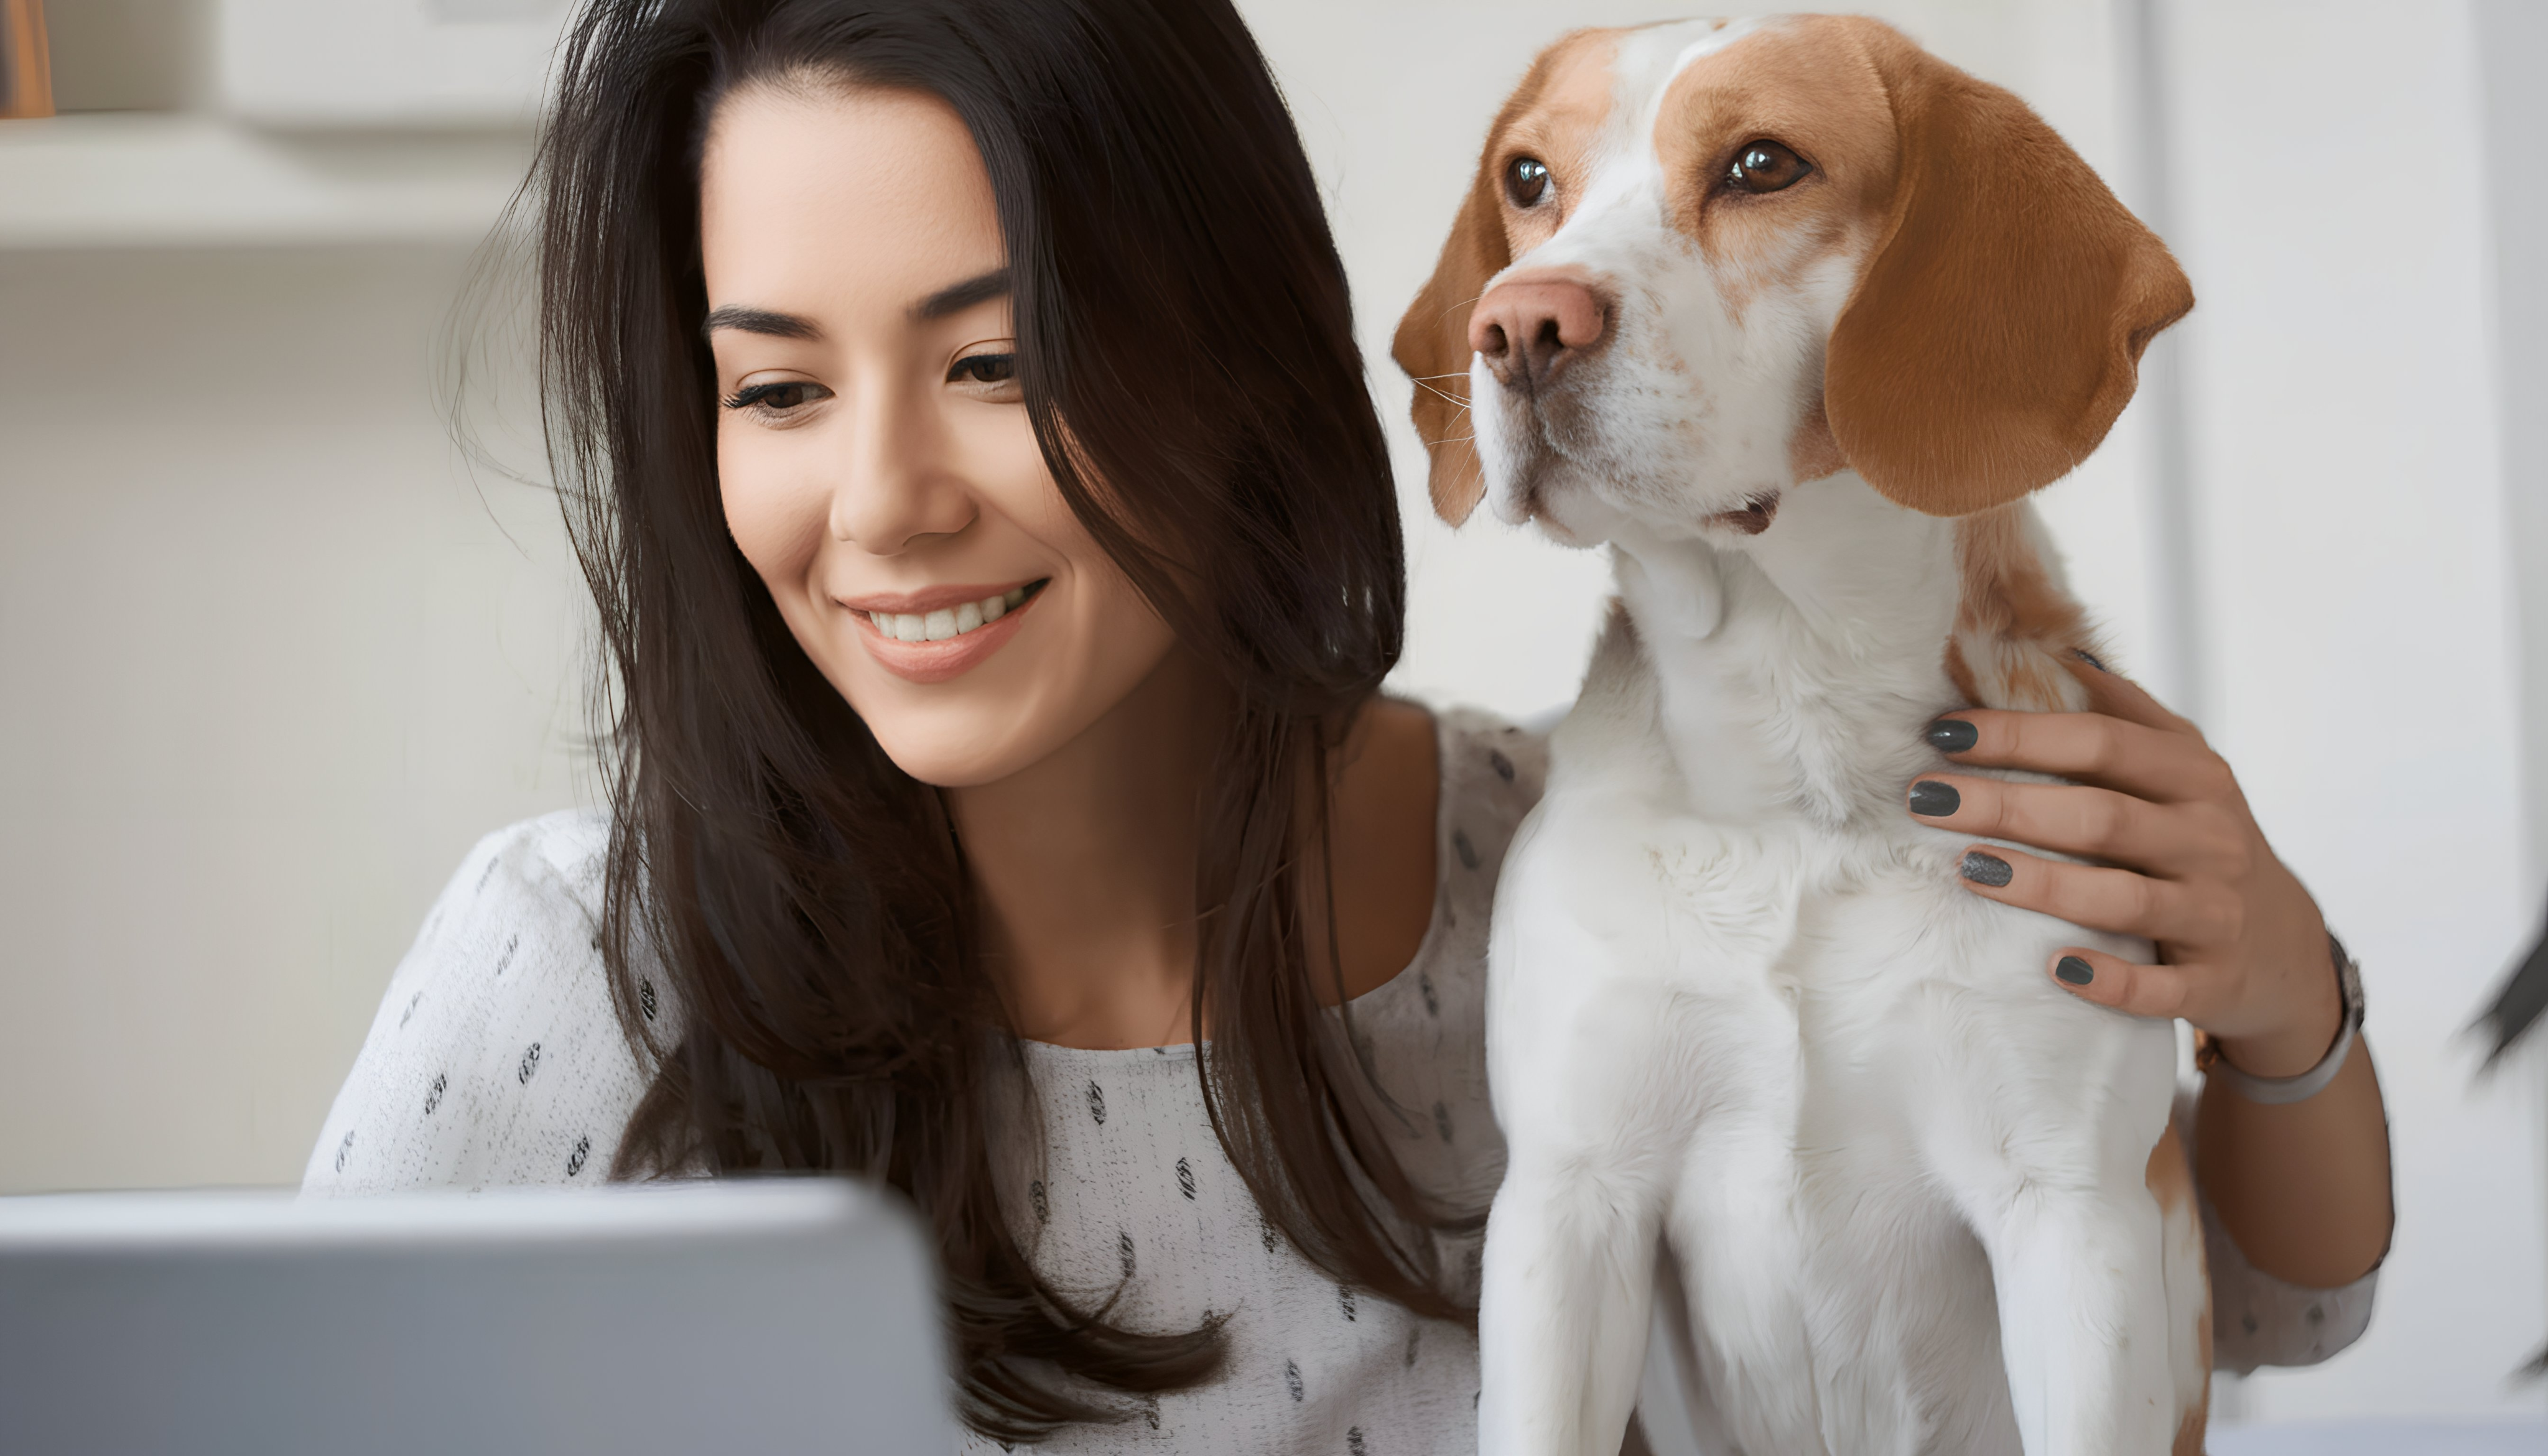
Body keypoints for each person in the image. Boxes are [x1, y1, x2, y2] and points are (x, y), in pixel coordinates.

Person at [303, 1, 2396, 1450]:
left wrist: (2285, 998)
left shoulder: (1550, 874)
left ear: (1230, 357)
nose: (881, 505)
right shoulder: (573, 975)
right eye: (776, 388)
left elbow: (2263, 1315)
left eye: (997, 359)